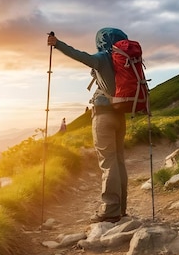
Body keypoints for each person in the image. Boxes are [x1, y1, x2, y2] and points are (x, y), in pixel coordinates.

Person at [47, 28, 128, 223]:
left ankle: (110, 211)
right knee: (118, 161)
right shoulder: (125, 60)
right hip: (120, 115)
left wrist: (57, 44)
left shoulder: (102, 57)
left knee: (108, 163)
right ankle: (121, 208)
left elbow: (79, 56)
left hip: (103, 115)